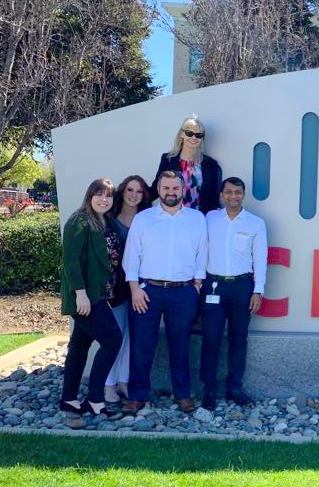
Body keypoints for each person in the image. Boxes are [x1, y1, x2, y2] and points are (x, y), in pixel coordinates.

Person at [122, 170, 207, 415]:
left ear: (183, 191)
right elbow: (132, 256)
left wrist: (197, 286)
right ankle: (137, 396)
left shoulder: (196, 219)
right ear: (158, 190)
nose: (171, 192)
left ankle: (182, 395)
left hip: (183, 292)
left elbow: (202, 253)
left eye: (175, 188)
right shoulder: (144, 218)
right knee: (142, 345)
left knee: (180, 345)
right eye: (166, 188)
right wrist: (135, 288)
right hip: (147, 291)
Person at [200, 177, 268, 410]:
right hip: (213, 286)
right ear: (221, 194)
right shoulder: (209, 219)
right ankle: (209, 389)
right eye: (228, 192)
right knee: (211, 338)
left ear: (243, 195)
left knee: (238, 339)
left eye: (237, 192)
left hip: (242, 287)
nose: (233, 196)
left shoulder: (255, 223)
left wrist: (258, 291)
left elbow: (260, 259)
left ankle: (234, 388)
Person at [59, 179, 124, 417]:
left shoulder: (105, 222)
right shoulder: (79, 221)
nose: (103, 199)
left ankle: (68, 398)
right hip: (86, 296)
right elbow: (71, 260)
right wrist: (81, 293)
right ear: (89, 196)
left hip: (99, 294)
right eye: (99, 194)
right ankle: (95, 399)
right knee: (113, 340)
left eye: (108, 196)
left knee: (80, 346)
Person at [103, 175, 152, 403]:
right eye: (130, 190)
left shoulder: (148, 219)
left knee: (133, 337)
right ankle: (108, 385)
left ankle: (124, 382)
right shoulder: (109, 219)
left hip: (142, 287)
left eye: (139, 191)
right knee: (115, 336)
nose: (134, 195)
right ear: (122, 192)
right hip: (115, 288)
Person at [153, 116, 222, 214]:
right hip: (173, 216)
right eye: (189, 133)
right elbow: (157, 187)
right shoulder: (168, 159)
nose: (194, 138)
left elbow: (214, 196)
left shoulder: (210, 164)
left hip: (200, 218)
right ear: (182, 134)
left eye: (198, 135)